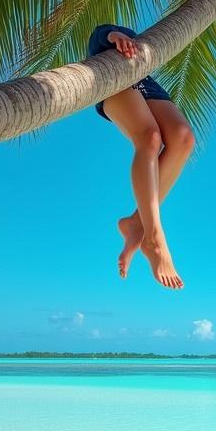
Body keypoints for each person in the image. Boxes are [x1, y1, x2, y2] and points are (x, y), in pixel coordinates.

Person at [88, 24, 195, 290]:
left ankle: (137, 223)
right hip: (113, 78)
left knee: (183, 138)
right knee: (150, 137)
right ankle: (154, 238)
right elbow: (99, 35)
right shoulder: (108, 42)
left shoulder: (143, 47)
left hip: (146, 83)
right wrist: (115, 37)